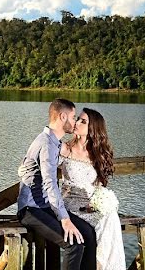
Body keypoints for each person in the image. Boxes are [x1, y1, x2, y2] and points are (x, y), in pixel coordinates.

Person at [18, 98, 97, 270]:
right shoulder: (46, 143)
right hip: (31, 210)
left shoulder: (55, 142)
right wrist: (65, 219)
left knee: (89, 234)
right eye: (73, 116)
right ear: (63, 117)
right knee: (74, 245)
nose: (75, 121)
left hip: (46, 207)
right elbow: (50, 184)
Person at [59, 108, 125, 270]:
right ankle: (98, 266)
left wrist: (99, 203)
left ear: (93, 129)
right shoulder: (65, 149)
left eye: (83, 121)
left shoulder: (97, 154)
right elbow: (44, 167)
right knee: (107, 221)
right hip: (71, 205)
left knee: (110, 218)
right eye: (78, 119)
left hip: (91, 206)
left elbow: (100, 186)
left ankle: (101, 265)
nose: (77, 123)